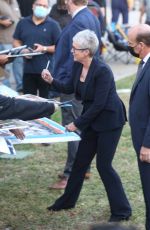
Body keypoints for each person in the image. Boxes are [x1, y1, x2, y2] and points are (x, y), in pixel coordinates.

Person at [42, 29, 132, 221]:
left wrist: (76, 123)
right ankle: (67, 201)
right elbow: (69, 87)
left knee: (104, 166)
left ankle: (122, 211)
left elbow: (99, 104)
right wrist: (52, 81)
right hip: (92, 120)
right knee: (80, 162)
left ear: (87, 51)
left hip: (109, 121)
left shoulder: (102, 71)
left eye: (75, 49)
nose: (71, 51)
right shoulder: (77, 65)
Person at [48, 0, 101, 189]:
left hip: (74, 84)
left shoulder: (80, 20)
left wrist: (68, 84)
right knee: (80, 125)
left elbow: (79, 57)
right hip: (79, 82)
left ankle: (72, 174)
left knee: (73, 127)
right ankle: (83, 168)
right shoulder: (89, 16)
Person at [13, 0, 61, 99]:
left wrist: (44, 48)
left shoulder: (53, 25)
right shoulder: (23, 22)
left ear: (48, 9)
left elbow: (59, 47)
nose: (41, 7)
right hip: (28, 70)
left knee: (45, 103)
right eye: (39, 5)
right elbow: (16, 40)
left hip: (46, 72)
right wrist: (22, 51)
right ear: (33, 6)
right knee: (28, 103)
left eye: (44, 6)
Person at [128, 24, 150, 230]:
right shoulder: (144, 63)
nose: (129, 47)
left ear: (142, 45)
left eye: (131, 44)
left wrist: (147, 144)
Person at [0, 0, 22, 90]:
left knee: (19, 63)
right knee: (6, 66)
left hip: (17, 40)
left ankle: (20, 87)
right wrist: (1, 21)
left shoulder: (14, 2)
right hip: (4, 40)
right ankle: (6, 90)